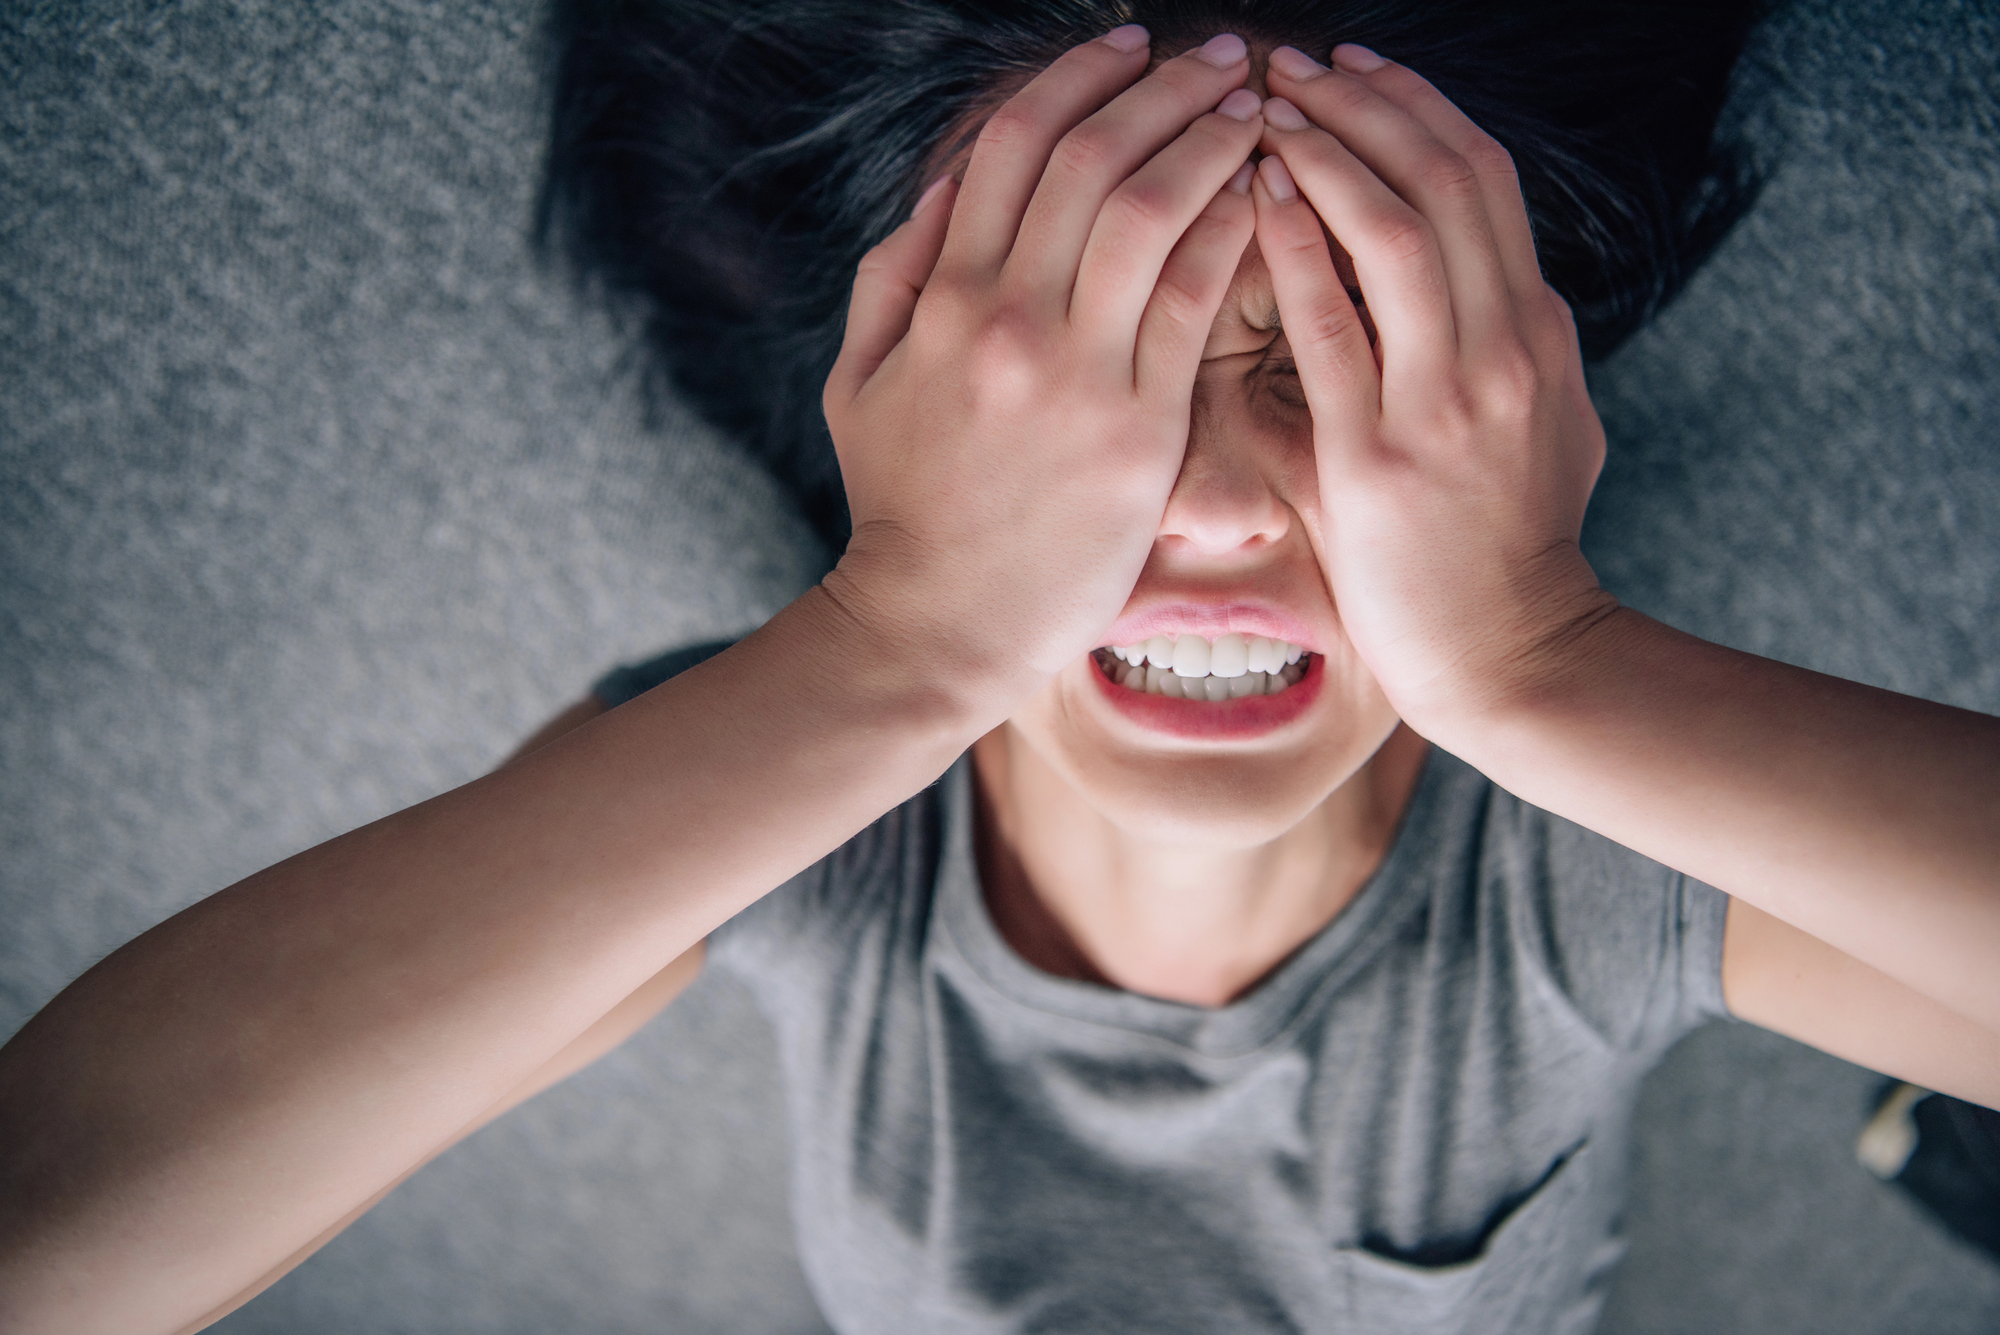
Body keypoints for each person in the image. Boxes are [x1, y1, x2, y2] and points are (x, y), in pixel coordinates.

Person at [2, 4, 1997, 1333]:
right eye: (1099, 388)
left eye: (1327, 374)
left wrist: (1551, 661)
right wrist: (895, 644)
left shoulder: (1588, 862)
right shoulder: (797, 814)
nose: (1213, 504)